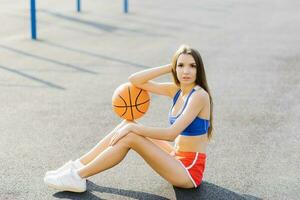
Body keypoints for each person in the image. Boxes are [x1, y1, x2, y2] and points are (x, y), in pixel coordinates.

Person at [44, 44, 213, 192]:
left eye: (192, 66)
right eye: (181, 65)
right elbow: (135, 80)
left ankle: (78, 176)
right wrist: (170, 66)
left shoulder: (199, 96)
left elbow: (171, 134)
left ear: (199, 69)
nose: (186, 71)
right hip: (176, 155)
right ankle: (77, 166)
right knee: (128, 122)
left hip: (188, 171)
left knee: (131, 134)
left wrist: (134, 128)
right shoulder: (176, 90)